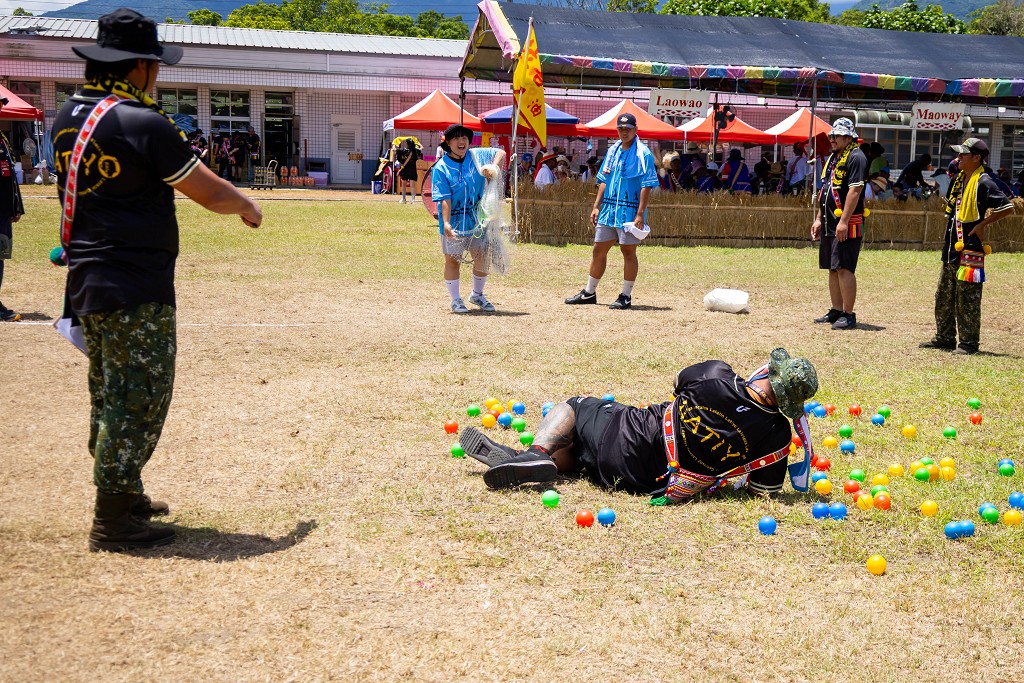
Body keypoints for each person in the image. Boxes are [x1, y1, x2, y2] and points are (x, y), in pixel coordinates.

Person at [53, 8, 263, 552]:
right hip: (133, 283)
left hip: (88, 281)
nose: (159, 75)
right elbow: (209, 190)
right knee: (139, 396)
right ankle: (114, 521)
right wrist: (246, 205)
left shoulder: (69, 117)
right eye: (155, 65)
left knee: (109, 392)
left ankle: (127, 495)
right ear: (140, 67)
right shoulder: (140, 122)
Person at [461, 349, 819, 503]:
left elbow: (679, 383)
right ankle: (533, 463)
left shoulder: (716, 375)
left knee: (577, 406)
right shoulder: (777, 437)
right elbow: (761, 493)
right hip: (651, 482)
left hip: (629, 435)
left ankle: (535, 453)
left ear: (769, 372)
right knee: (580, 452)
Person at [919, 138, 1013, 355]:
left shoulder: (985, 182)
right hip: (952, 246)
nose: (958, 158)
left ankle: (969, 343)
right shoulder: (957, 180)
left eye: (963, 154)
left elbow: (1007, 207)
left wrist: (983, 224)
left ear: (976, 158)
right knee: (943, 296)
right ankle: (944, 338)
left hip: (971, 248)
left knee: (968, 298)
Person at [564, 113, 658, 310]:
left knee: (628, 251)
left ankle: (626, 296)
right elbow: (603, 180)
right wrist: (596, 206)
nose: (624, 132)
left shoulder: (644, 153)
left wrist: (640, 213)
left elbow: (647, 184)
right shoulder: (612, 151)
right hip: (608, 209)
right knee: (598, 249)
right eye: (621, 129)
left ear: (635, 130)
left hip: (629, 210)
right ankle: (589, 293)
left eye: (628, 129)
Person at [431, 122, 506, 314]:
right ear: (447, 143)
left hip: (477, 219)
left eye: (464, 137)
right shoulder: (441, 168)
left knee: (482, 256)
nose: (461, 141)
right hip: (453, 221)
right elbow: (444, 199)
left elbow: (501, 153)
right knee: (453, 260)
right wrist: (446, 223)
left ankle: (477, 294)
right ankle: (455, 300)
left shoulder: (476, 156)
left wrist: (492, 168)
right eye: (456, 138)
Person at [811, 118, 868, 331]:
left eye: (836, 136)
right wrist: (818, 218)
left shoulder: (856, 157)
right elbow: (825, 190)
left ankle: (849, 314)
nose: (832, 139)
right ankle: (836, 309)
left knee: (844, 267)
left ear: (848, 137)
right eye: (831, 136)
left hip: (846, 222)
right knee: (832, 268)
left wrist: (843, 221)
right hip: (829, 221)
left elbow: (855, 190)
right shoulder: (835, 157)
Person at [0, 97, 25, 322]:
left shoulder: (2, 138)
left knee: (0, 256)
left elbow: (9, 178)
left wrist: (15, 207)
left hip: (2, 212)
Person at [394, 138, 422, 203]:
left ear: (407, 144)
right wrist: (418, 143)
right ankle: (413, 199)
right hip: (412, 169)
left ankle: (403, 199)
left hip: (405, 169)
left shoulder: (403, 150)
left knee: (403, 184)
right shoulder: (415, 151)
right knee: (413, 185)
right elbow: (421, 149)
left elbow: (397, 154)